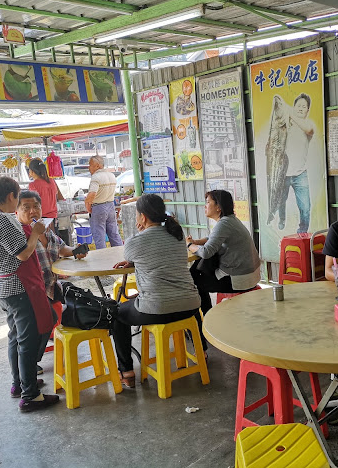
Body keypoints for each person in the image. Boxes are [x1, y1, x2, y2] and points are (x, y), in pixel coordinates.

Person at [0, 176, 59, 412]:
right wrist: (35, 232)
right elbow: (23, 254)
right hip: (17, 287)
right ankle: (30, 396)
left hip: (5, 287)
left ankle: (20, 384)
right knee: (27, 340)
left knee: (16, 337)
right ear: (12, 197)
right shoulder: (2, 220)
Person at [112, 194, 201, 388]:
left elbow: (141, 249)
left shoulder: (135, 242)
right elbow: (158, 254)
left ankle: (126, 372)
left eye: (137, 215)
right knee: (133, 303)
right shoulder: (177, 236)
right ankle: (203, 352)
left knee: (116, 314)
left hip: (158, 308)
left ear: (142, 217)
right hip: (190, 304)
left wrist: (140, 234)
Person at [15, 190, 87, 374]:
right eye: (27, 207)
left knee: (72, 303)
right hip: (31, 291)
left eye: (36, 206)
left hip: (50, 287)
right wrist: (34, 234)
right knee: (39, 326)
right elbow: (23, 256)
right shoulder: (20, 234)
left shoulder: (46, 231)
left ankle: (45, 352)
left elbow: (62, 248)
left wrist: (76, 251)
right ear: (16, 211)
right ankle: (31, 363)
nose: (33, 211)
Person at [187, 190, 261, 351]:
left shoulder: (224, 224)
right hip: (247, 274)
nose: (205, 206)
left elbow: (206, 251)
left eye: (208, 202)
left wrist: (189, 246)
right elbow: (212, 239)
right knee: (195, 275)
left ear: (218, 207)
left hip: (239, 278)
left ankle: (206, 325)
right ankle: (207, 320)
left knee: (193, 283)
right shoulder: (229, 221)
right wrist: (196, 242)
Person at [278, 93, 315, 233]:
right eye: (298, 105)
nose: (301, 108)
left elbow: (309, 130)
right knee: (281, 202)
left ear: (307, 110)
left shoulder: (308, 124)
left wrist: (289, 111)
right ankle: (282, 218)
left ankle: (303, 232)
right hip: (283, 173)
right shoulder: (285, 124)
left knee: (305, 208)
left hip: (301, 174)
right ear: (294, 107)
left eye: (304, 106)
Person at [85, 155, 123, 249]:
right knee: (114, 234)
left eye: (90, 165)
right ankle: (120, 254)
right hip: (110, 205)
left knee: (99, 235)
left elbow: (92, 194)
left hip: (98, 207)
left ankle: (102, 258)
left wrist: (87, 204)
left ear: (97, 166)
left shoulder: (96, 177)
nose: (88, 167)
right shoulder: (111, 175)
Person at [28, 158, 64, 230]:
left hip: (41, 218)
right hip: (53, 217)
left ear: (32, 171)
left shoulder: (33, 185)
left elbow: (32, 202)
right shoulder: (51, 181)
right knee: (53, 239)